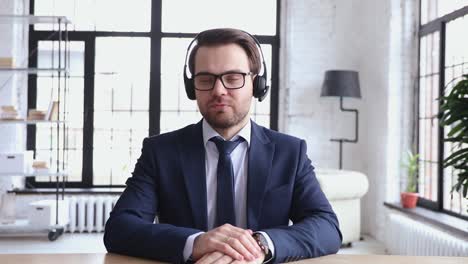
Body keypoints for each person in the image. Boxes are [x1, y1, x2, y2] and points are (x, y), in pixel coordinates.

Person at [104, 28, 342, 264]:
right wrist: (196, 242)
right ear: (192, 87)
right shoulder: (160, 152)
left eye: (233, 78)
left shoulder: (290, 152)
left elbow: (327, 227)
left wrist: (260, 246)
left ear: (256, 83)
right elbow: (120, 228)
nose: (218, 91)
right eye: (206, 79)